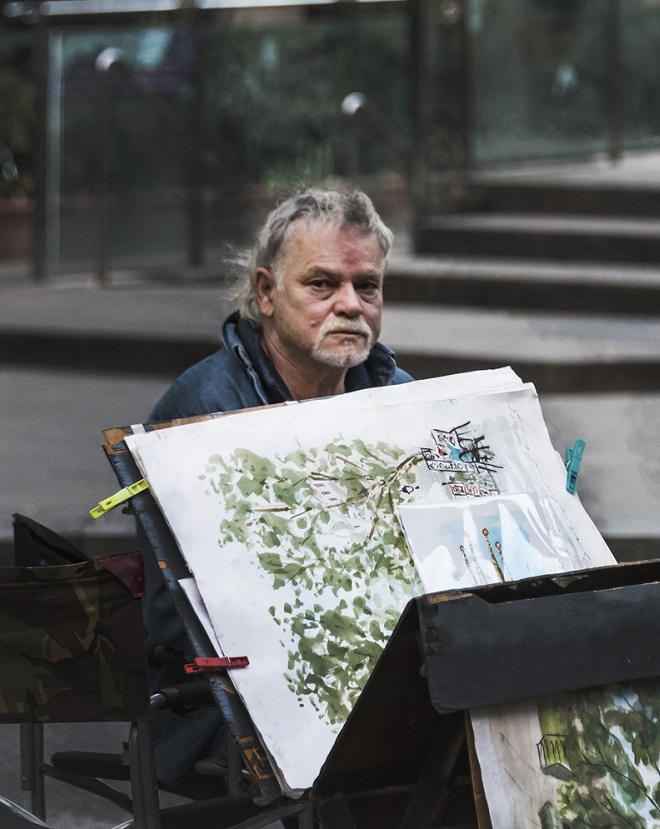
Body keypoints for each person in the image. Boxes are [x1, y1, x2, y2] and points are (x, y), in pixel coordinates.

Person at [142, 186, 414, 791]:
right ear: (266, 292)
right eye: (322, 285)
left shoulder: (401, 398)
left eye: (366, 286)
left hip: (387, 687)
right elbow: (179, 622)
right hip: (230, 709)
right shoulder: (204, 411)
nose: (350, 305)